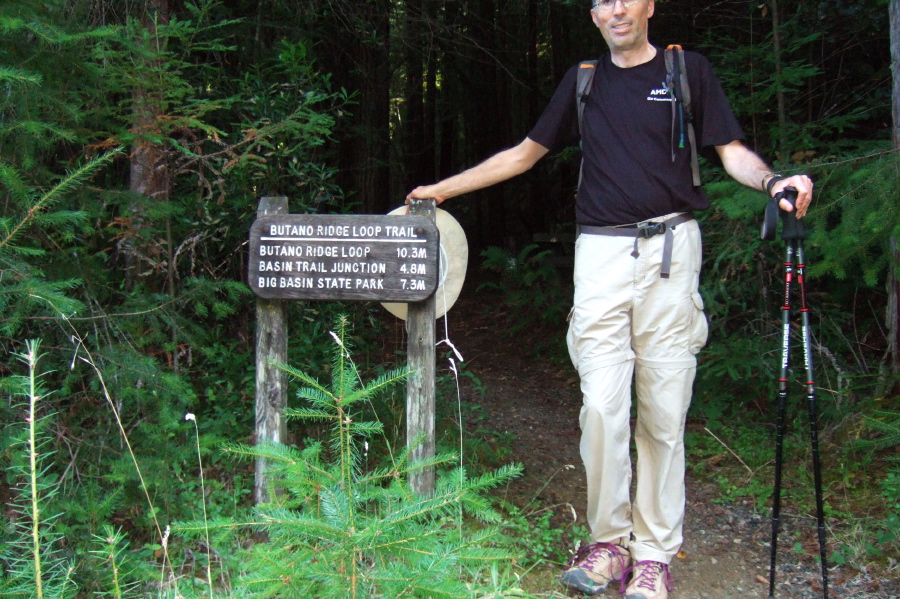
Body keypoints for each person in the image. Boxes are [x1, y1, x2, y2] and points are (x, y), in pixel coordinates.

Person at [407, 0, 813, 597]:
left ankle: (652, 556)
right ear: (594, 15)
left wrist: (774, 181)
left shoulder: (686, 72)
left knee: (664, 413)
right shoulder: (584, 83)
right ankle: (606, 543)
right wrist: (441, 190)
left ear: (649, 5)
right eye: (602, 1)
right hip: (599, 258)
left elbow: (732, 153)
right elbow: (523, 154)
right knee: (601, 407)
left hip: (673, 254)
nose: (616, 9)